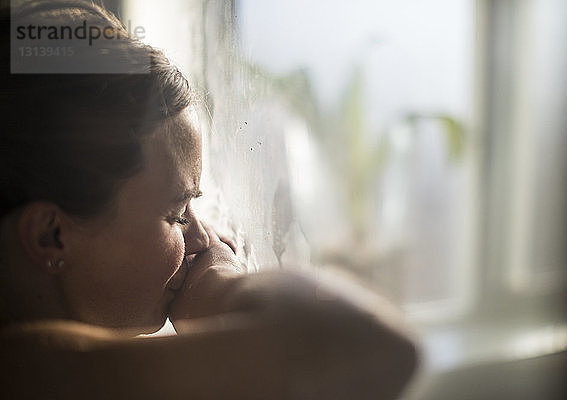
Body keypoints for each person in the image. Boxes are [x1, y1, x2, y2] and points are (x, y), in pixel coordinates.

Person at [0, 1, 417, 399]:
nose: (205, 238)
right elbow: (374, 349)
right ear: (51, 236)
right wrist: (218, 286)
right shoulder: (22, 369)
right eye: (177, 214)